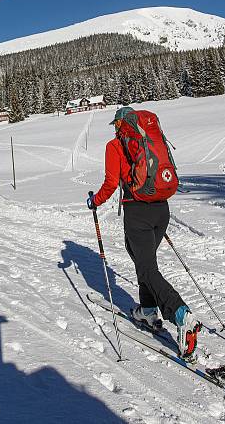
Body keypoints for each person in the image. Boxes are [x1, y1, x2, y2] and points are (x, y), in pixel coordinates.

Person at [87, 106, 200, 359]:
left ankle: (181, 314)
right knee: (144, 260)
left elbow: (110, 183)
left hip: (137, 212)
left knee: (148, 268)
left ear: (119, 125)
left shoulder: (114, 146)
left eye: (116, 125)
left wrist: (95, 202)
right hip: (162, 210)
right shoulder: (149, 140)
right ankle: (148, 309)